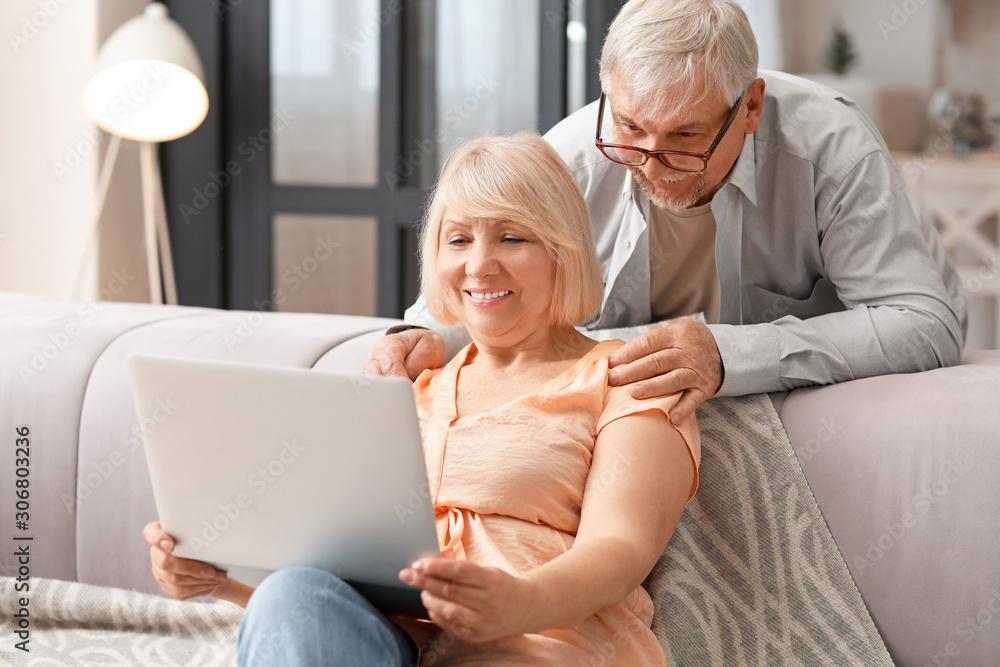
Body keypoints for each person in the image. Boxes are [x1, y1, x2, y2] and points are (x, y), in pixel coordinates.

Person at [143, 133, 700, 666]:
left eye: (512, 237)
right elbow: (334, 585)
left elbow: (620, 550)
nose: (479, 265)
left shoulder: (626, 380)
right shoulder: (411, 390)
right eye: (458, 239)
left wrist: (518, 603)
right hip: (395, 647)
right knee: (290, 593)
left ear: (563, 251)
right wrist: (223, 578)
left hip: (540, 648)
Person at [367, 0, 966, 422]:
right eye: (630, 126)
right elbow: (480, 278)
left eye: (684, 138)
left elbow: (923, 324)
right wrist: (422, 337)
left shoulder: (832, 149)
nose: (650, 165)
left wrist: (729, 354)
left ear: (751, 106)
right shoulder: (575, 154)